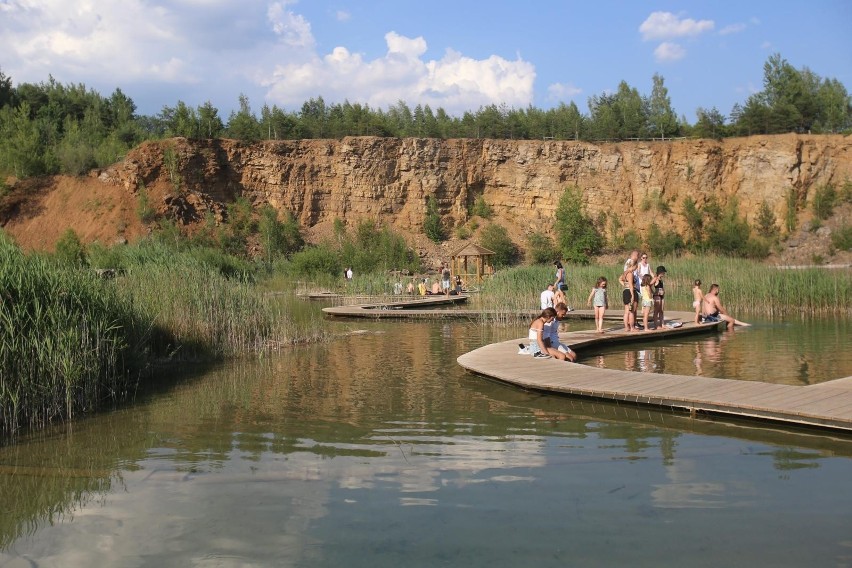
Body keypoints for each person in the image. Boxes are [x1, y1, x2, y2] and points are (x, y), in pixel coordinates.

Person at [619, 259, 638, 332]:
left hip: (625, 291)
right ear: (632, 266)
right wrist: (632, 294)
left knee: (627, 311)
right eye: (635, 266)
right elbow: (630, 284)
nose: (636, 268)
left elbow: (620, 279)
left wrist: (624, 285)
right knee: (631, 311)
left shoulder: (625, 273)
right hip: (630, 291)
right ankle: (632, 327)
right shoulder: (630, 274)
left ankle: (626, 327)